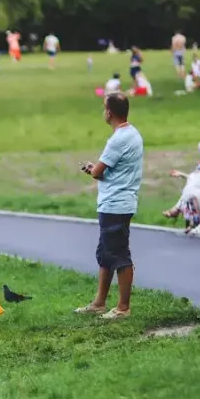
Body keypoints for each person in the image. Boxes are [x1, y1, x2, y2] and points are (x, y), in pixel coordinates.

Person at [77, 93, 143, 319]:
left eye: (104, 108)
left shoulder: (118, 139)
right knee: (106, 253)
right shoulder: (132, 133)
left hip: (115, 203)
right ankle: (99, 303)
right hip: (120, 201)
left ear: (109, 112)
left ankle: (123, 307)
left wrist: (90, 168)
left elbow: (97, 172)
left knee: (119, 254)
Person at [163, 140, 200, 231]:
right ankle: (192, 222)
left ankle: (182, 214)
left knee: (190, 192)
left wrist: (183, 175)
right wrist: (182, 174)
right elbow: (195, 176)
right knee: (190, 192)